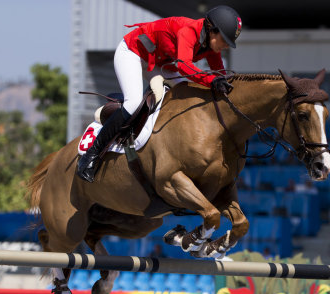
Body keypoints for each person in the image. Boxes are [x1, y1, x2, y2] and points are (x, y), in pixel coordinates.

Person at [77, 6, 242, 182]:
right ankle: (91, 155)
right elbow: (184, 66)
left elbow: (219, 73)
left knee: (189, 94)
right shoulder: (188, 30)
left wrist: (227, 86)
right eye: (224, 40)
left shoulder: (210, 45)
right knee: (133, 103)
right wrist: (211, 81)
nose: (225, 46)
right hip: (132, 53)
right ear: (211, 29)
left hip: (159, 63)